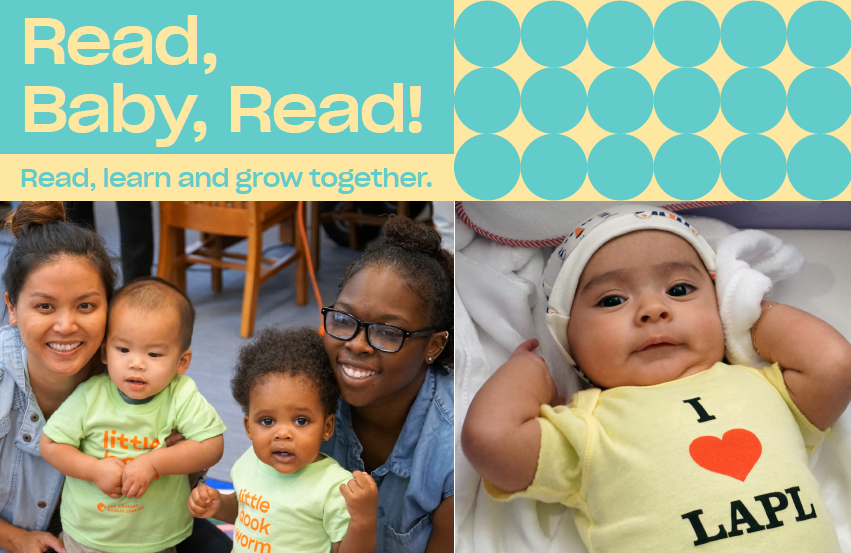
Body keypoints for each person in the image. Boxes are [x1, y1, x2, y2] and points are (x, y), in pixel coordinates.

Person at [461, 208, 851, 552]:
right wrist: (531, 369)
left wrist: (746, 310)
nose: (652, 309)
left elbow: (835, 364)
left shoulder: (764, 387)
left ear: (719, 305)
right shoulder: (589, 425)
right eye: (612, 300)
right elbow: (491, 440)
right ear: (569, 343)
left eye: (679, 290)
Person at [0, 201, 231, 553]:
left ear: (110, 307)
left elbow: (201, 452)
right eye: (44, 306)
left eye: (86, 305)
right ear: (12, 308)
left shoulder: (138, 367)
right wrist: (14, 538)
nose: (66, 326)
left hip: (136, 526)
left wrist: (170, 458)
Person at [39, 278, 226, 553]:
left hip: (157, 537)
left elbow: (212, 445)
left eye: (154, 353)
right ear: (105, 352)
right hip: (88, 535)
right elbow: (51, 445)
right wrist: (94, 470)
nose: (136, 363)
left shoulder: (181, 395)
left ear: (181, 362)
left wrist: (154, 463)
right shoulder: (90, 396)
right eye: (123, 349)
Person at [320, 216, 454, 553]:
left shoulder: (454, 449)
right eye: (344, 319)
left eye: (388, 332)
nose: (357, 344)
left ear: (433, 346)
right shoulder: (305, 391)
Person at [188, 327, 378, 553]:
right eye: (267, 421)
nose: (283, 434)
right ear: (248, 427)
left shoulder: (333, 487)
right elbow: (247, 512)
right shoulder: (250, 462)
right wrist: (219, 505)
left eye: (301, 420)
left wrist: (363, 520)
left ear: (327, 428)